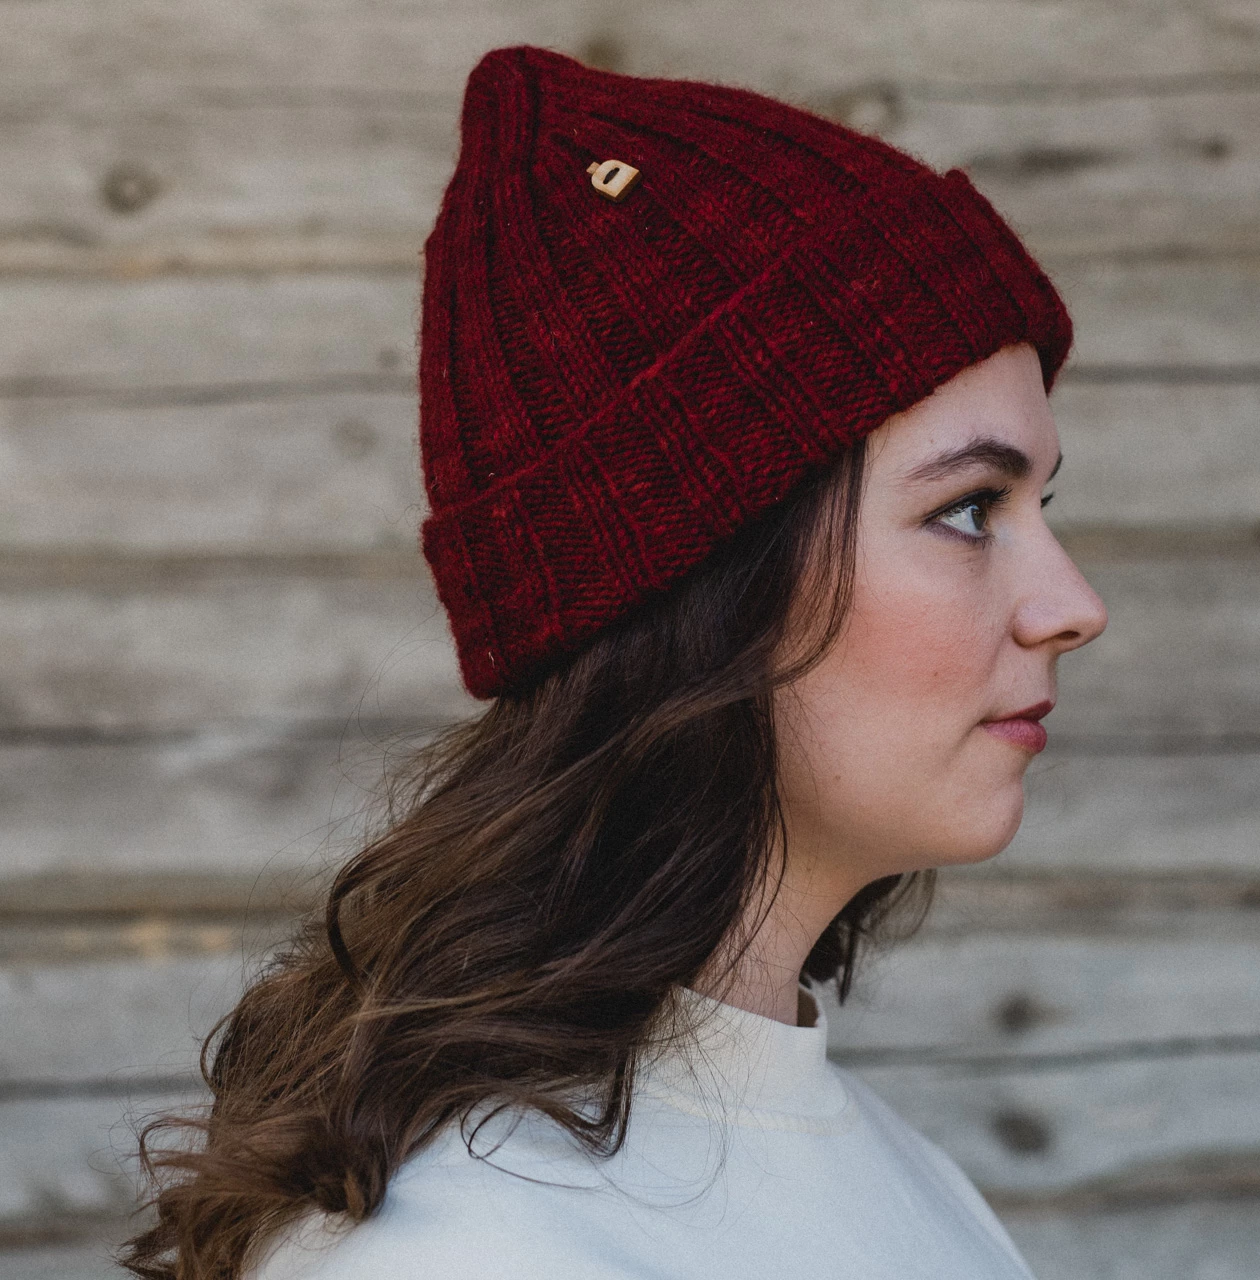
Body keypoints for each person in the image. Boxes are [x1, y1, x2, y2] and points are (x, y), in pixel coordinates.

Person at [123, 44, 1107, 1280]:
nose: (1073, 606)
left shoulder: (898, 1175)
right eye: (966, 508)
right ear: (699, 583)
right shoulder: (471, 1250)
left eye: (1038, 505)